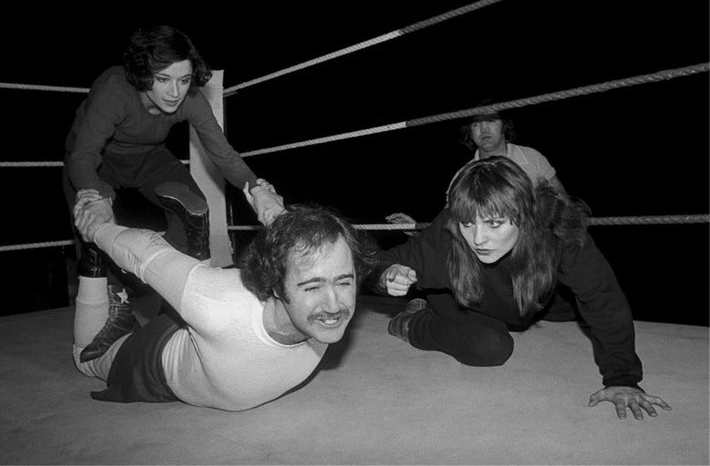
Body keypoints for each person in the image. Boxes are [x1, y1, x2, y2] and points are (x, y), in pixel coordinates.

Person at [372, 156, 671, 420]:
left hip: (522, 296)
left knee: (574, 307)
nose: (478, 239)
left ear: (525, 216)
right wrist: (386, 275)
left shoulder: (557, 228)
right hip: (460, 296)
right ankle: (413, 323)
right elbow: (376, 263)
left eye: (494, 223)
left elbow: (602, 296)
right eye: (468, 224)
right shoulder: (447, 237)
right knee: (490, 348)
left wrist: (622, 378)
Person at [62, 25, 285, 360]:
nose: (175, 92)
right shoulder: (114, 89)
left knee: (195, 207)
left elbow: (222, 153)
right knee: (93, 223)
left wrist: (258, 190)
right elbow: (83, 156)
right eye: (163, 79)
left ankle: (177, 301)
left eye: (183, 79)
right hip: (97, 162)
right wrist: (93, 195)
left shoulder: (190, 97)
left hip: (148, 157)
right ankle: (116, 305)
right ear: (141, 73)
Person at [71, 194, 378, 410]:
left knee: (194, 304)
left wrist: (276, 212)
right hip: (154, 363)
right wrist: (96, 229)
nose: (334, 303)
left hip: (203, 338)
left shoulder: (321, 314)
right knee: (86, 358)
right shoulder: (218, 304)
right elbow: (146, 252)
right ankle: (94, 260)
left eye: (344, 281)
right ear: (274, 284)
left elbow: (309, 257)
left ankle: (197, 247)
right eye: (313, 287)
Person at [386, 106, 565, 233]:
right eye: (476, 124)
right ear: (469, 132)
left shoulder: (532, 157)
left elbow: (564, 202)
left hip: (539, 253)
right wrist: (417, 229)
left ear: (504, 124)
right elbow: (447, 226)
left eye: (491, 120)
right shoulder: (463, 175)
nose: (484, 129)